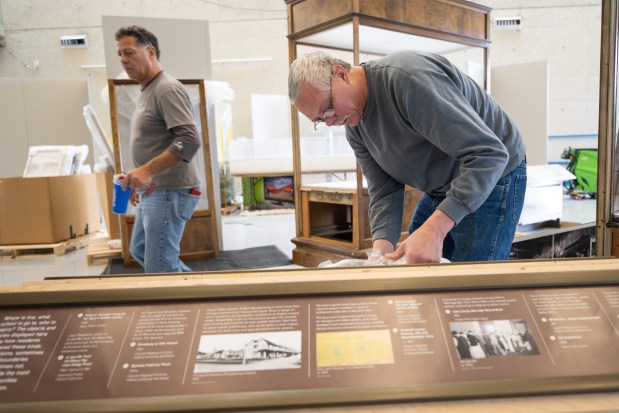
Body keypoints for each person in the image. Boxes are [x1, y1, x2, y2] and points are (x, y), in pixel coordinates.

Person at [288, 50, 527, 263]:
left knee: (468, 287)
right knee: (413, 262)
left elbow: (489, 155)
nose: (330, 121)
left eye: (328, 107)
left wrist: (435, 229)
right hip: (443, 184)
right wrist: (380, 252)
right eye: (320, 120)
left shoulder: (409, 80)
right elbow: (384, 191)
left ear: (340, 74)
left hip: (494, 175)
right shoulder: (354, 124)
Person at [115, 25, 202, 272]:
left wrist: (147, 171)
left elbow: (188, 139)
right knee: (141, 251)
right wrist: (139, 175)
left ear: (151, 52)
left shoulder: (166, 88)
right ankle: (200, 294)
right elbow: (156, 142)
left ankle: (192, 307)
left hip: (170, 191)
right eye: (120, 54)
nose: (123, 59)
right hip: (155, 189)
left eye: (129, 52)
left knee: (160, 268)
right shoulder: (148, 88)